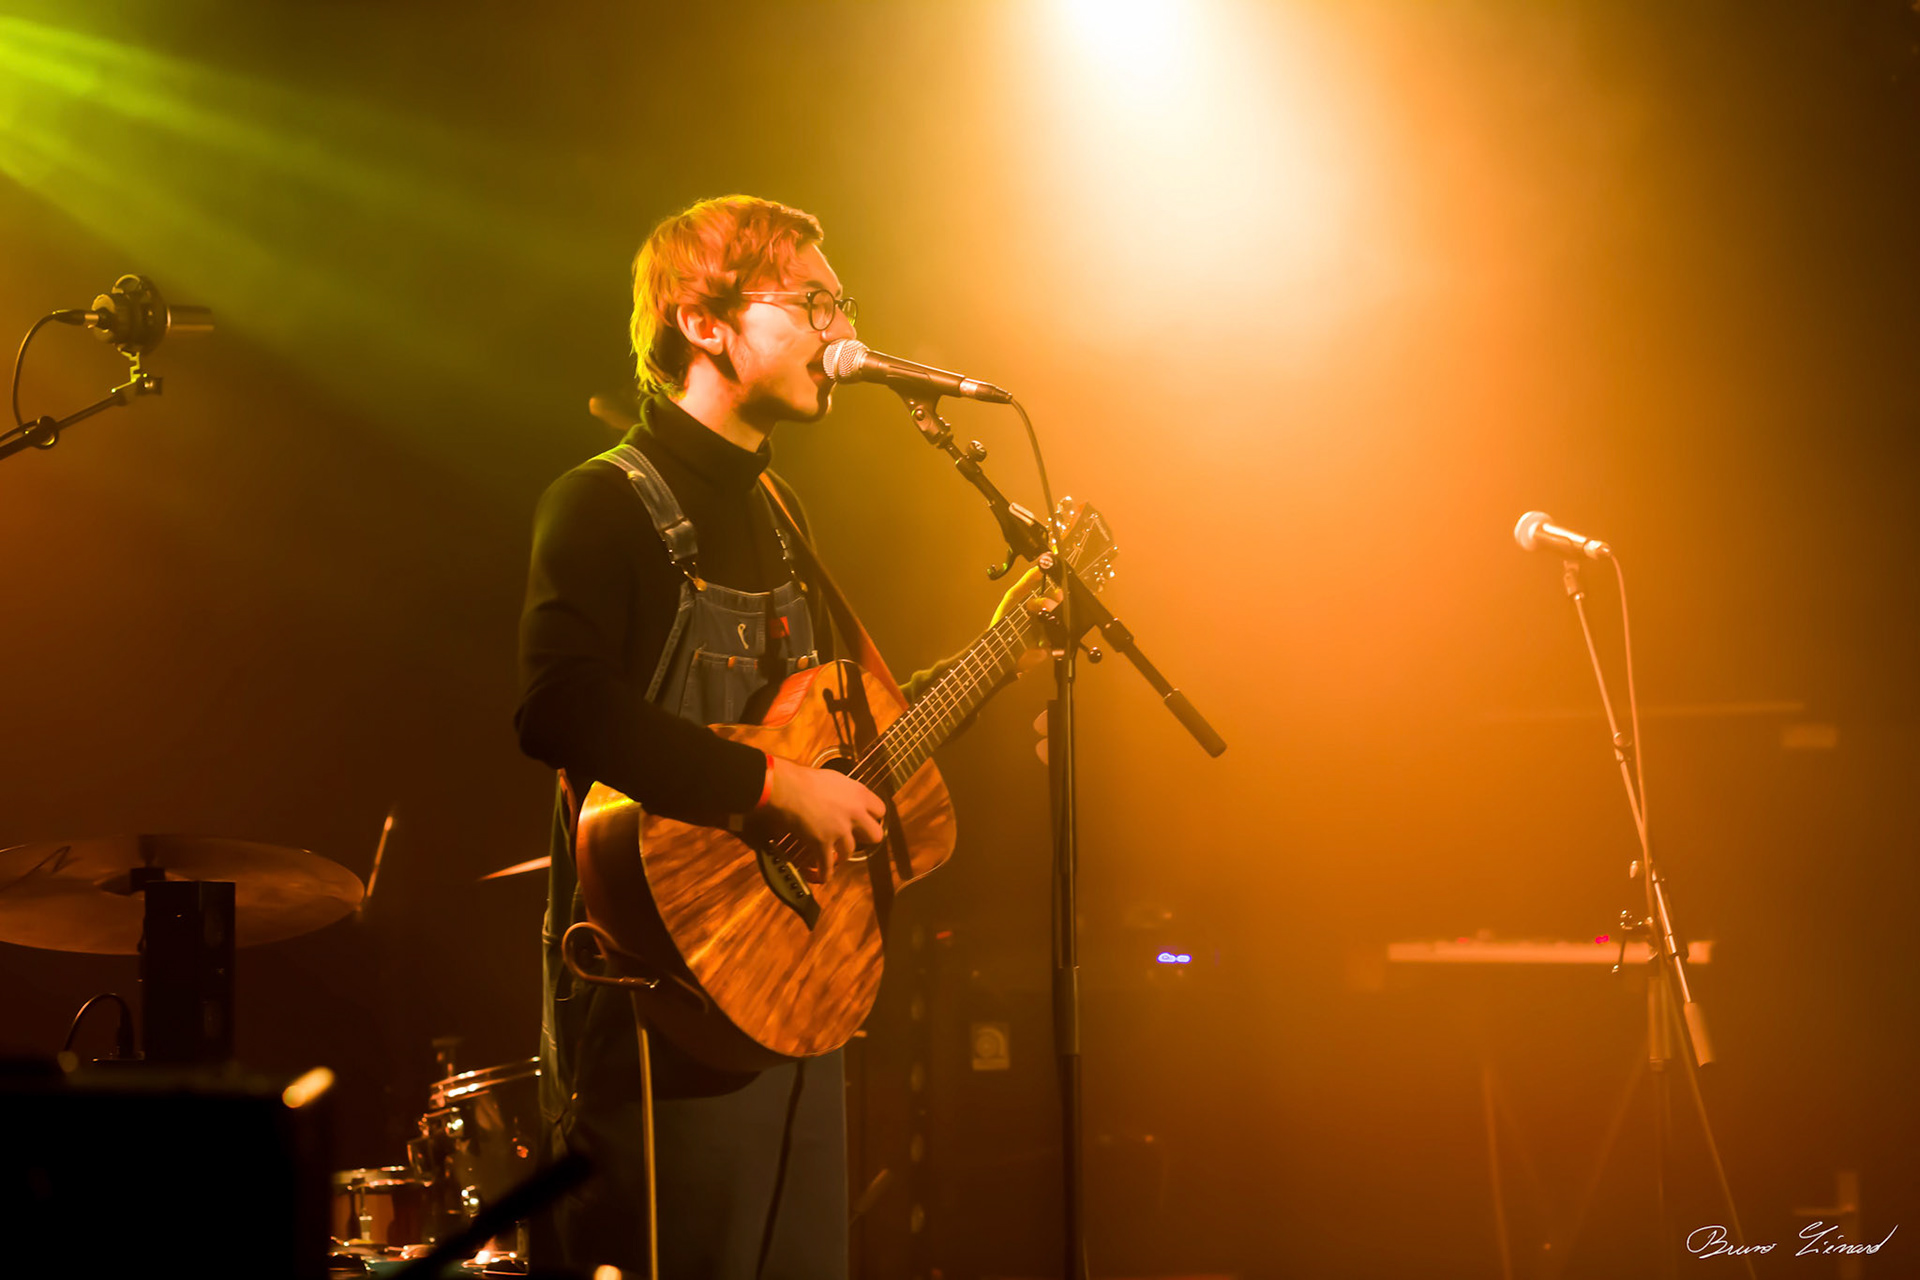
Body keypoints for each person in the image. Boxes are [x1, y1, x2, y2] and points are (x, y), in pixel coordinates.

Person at [515, 195, 960, 1278]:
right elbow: (559, 704)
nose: (836, 329)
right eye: (810, 301)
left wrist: (1005, 656)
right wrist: (771, 789)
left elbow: (833, 734)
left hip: (794, 983)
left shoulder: (779, 509)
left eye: (839, 302)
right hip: (664, 1006)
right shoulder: (603, 502)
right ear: (703, 322)